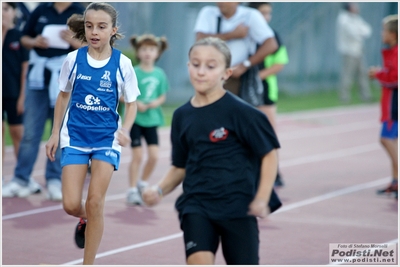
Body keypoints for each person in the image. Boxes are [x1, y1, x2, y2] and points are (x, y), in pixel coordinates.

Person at [142, 37, 281, 265]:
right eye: (195, 64)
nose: (201, 72)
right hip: (197, 205)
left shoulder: (243, 113)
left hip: (238, 208)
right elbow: (180, 166)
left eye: (210, 66)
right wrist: (158, 190)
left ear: (226, 73)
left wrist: (262, 197)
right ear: (188, 66)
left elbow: (269, 154)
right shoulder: (181, 116)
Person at [45, 2, 139, 264]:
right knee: (71, 205)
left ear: (113, 30)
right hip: (75, 137)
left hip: (106, 139)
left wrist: (126, 131)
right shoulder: (73, 60)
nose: (94, 31)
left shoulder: (123, 64)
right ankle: (86, 217)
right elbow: (62, 97)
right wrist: (54, 134)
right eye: (89, 26)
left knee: (96, 201)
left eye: (101, 26)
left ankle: (89, 263)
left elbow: (132, 103)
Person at [2, 2, 85, 201]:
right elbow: (24, 38)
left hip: (66, 77)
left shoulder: (81, 12)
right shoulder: (41, 9)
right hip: (38, 77)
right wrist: (35, 41)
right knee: (30, 131)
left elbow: (92, 45)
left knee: (59, 131)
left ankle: (54, 179)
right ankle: (21, 178)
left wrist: (73, 42)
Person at [194, 2, 278, 96]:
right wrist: (232, 34)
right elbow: (200, 39)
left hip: (235, 76)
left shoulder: (250, 15)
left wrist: (245, 65)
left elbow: (271, 44)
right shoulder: (208, 12)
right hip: (210, 74)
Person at [125, 34, 169, 205]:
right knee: (137, 156)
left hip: (152, 120)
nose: (148, 53)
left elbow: (162, 96)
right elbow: (122, 95)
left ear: (157, 53)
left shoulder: (160, 74)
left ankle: (142, 183)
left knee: (154, 156)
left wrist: (152, 103)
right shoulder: (133, 72)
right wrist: (136, 103)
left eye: (151, 49)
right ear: (138, 52)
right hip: (135, 120)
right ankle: (131, 190)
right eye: (144, 49)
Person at [248, 2, 289, 187]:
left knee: (268, 132)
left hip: (264, 90)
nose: (266, 17)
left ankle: (274, 172)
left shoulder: (273, 37)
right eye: (262, 12)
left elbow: (280, 63)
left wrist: (256, 77)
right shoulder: (244, 34)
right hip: (242, 92)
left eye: (269, 13)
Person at [368, 15, 398, 200]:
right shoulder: (392, 51)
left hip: (395, 104)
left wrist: (377, 74)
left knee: (387, 139)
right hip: (391, 102)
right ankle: (395, 181)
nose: (382, 33)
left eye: (384, 30)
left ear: (393, 34)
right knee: (390, 140)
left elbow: (396, 78)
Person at [2, 2, 29, 174]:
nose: (2, 13)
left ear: (13, 12)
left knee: (18, 133)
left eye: (5, 9)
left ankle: (22, 175)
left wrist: (22, 97)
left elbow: (25, 70)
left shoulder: (20, 36)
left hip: (14, 93)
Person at [336, 2, 372, 103]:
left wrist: (361, 33)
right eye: (354, 5)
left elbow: (367, 30)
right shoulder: (343, 18)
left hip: (359, 51)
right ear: (349, 7)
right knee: (347, 75)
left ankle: (365, 95)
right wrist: (361, 34)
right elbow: (352, 33)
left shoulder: (356, 18)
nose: (356, 7)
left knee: (362, 74)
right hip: (348, 51)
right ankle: (344, 96)